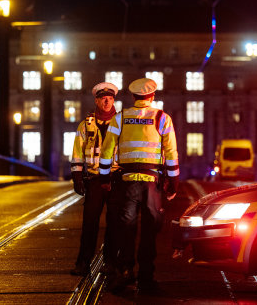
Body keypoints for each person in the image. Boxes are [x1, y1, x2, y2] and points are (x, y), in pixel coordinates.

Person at [99, 78, 180, 293]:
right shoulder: (162, 118)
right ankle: (146, 277)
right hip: (152, 184)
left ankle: (126, 271)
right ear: (152, 97)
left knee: (126, 228)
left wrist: (104, 178)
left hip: (127, 183)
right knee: (150, 231)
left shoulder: (121, 118)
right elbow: (171, 153)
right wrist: (174, 181)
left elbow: (107, 151)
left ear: (133, 97)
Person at [70, 82, 120, 276]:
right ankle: (83, 263)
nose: (107, 102)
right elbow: (77, 151)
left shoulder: (120, 123)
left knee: (114, 224)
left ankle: (111, 263)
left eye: (110, 98)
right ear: (97, 100)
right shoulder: (85, 125)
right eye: (103, 98)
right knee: (89, 223)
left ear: (114, 100)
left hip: (115, 178)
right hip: (94, 179)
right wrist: (77, 176)